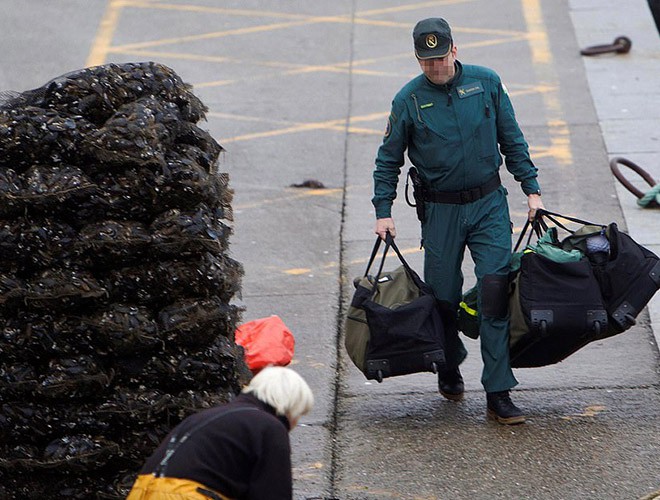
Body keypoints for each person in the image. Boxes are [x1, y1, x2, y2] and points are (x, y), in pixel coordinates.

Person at [372, 17, 544, 425]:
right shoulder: (408, 100)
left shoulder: (487, 83)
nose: (435, 67)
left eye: (440, 57)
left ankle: (499, 390)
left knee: (495, 292)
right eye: (426, 61)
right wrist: (384, 211)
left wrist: (531, 189)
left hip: (488, 204)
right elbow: (387, 160)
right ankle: (449, 363)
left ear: (455, 49)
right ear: (417, 59)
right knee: (444, 297)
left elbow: (512, 138)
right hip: (441, 212)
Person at [127, 366, 314, 499]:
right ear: (290, 408)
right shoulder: (270, 427)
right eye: (300, 413)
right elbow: (273, 493)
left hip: (142, 490)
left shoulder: (215, 416)